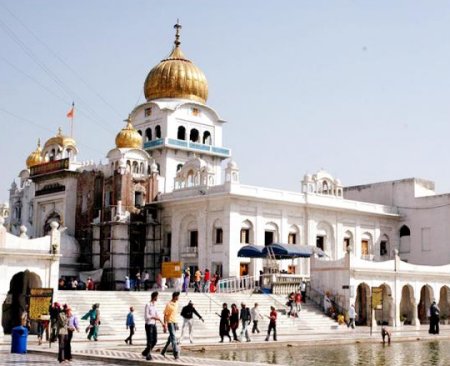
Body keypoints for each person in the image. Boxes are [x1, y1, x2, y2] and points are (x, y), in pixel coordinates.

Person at [142, 291, 165, 361]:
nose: (157, 298)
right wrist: (154, 317)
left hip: (154, 324)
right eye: (157, 296)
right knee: (149, 340)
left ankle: (145, 352)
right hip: (149, 325)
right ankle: (148, 355)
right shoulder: (148, 305)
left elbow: (157, 314)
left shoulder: (154, 305)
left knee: (155, 340)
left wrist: (162, 323)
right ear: (154, 297)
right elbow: (146, 316)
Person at [161, 291, 180, 360]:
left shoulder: (177, 303)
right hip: (170, 322)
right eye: (177, 296)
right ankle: (176, 353)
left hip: (175, 322)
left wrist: (177, 323)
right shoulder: (169, 304)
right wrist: (165, 325)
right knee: (174, 338)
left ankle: (163, 351)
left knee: (170, 338)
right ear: (174, 297)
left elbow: (175, 314)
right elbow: (165, 315)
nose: (178, 297)